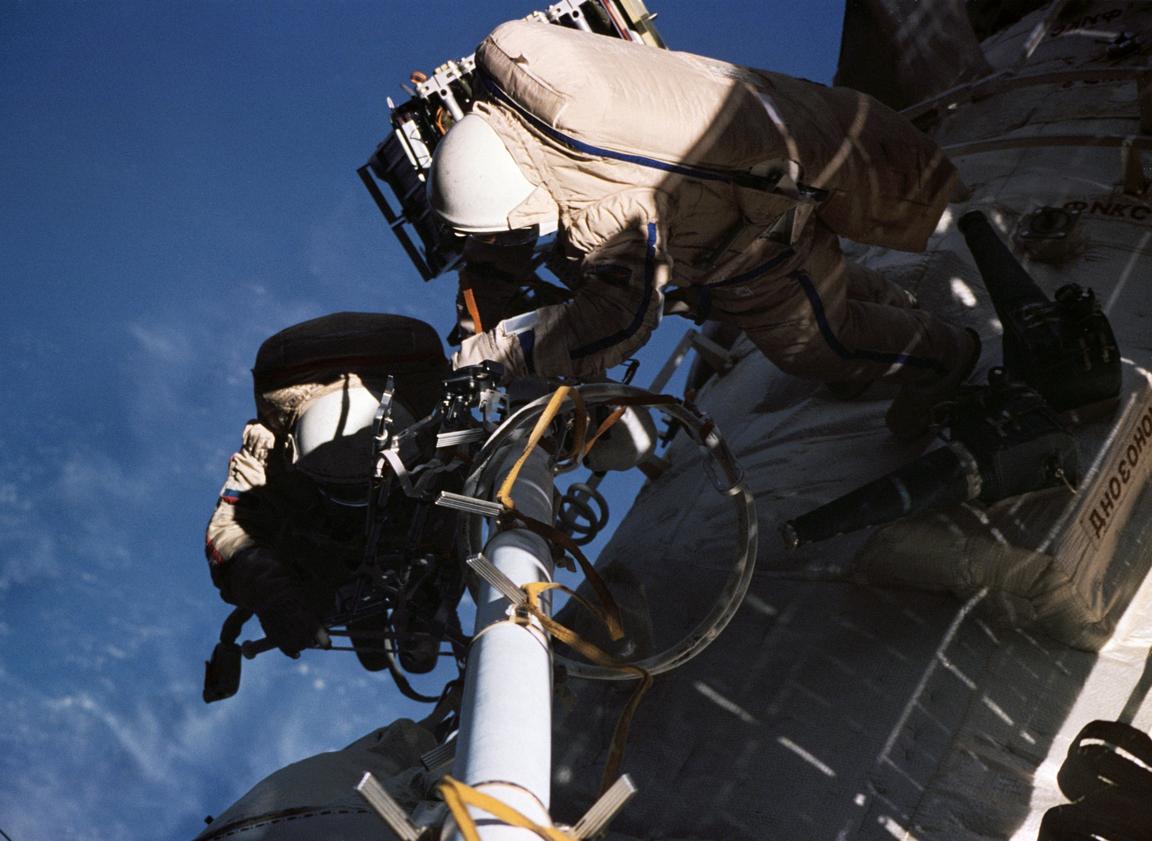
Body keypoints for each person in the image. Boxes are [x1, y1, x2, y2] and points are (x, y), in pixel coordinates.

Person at [426, 19, 980, 438]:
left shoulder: (610, 206)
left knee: (815, 342)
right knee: (805, 283)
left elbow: (618, 320)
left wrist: (493, 357)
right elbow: (493, 248)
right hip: (741, 195)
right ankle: (895, 302)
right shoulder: (519, 111)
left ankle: (946, 358)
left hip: (755, 239)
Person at [203, 312, 455, 670]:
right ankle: (405, 602)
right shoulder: (265, 459)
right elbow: (231, 536)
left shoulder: (446, 434)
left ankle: (418, 601)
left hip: (389, 531)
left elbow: (229, 534)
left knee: (449, 513)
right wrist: (276, 595)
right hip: (343, 543)